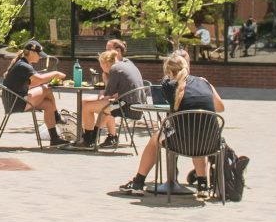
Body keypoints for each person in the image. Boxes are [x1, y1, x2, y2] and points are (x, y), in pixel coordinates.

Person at [117, 51, 230, 195]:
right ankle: (202, 185)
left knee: (155, 140)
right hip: (210, 143)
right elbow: (220, 107)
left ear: (168, 71)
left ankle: (138, 182)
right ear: (187, 66)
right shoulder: (204, 82)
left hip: (179, 143)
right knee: (199, 129)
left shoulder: (168, 84)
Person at [73, 45, 145, 149]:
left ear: (105, 64)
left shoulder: (115, 69)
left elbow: (109, 93)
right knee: (102, 106)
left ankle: (87, 140)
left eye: (101, 65)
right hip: (137, 106)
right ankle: (92, 138)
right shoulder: (126, 65)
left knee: (88, 107)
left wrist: (105, 79)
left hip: (128, 108)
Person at [2, 39, 70, 147]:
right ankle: (56, 116)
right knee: (46, 88)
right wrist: (55, 73)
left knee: (48, 104)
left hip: (14, 101)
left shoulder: (22, 63)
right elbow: (39, 79)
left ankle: (54, 138)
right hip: (16, 102)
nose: (40, 56)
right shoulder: (23, 65)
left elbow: (30, 84)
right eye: (39, 54)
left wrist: (42, 85)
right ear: (32, 52)